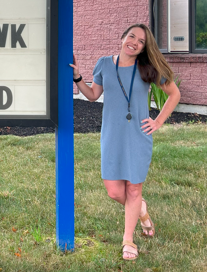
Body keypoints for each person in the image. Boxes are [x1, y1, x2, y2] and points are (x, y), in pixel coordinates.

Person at [70, 24, 181, 261]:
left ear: (143, 48)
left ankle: (128, 239)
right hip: (112, 135)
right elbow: (92, 95)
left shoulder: (147, 67)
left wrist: (158, 121)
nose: (135, 42)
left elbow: (174, 94)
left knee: (133, 188)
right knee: (113, 191)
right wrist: (78, 77)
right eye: (131, 36)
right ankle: (140, 209)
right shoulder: (103, 64)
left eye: (141, 41)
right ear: (122, 38)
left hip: (138, 135)